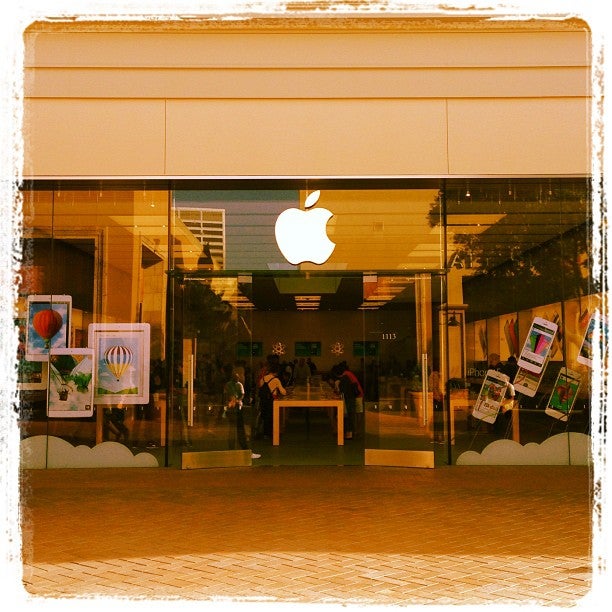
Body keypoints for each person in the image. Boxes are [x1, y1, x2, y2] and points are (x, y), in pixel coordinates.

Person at [223, 365, 260, 459]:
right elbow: (232, 396)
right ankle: (244, 451)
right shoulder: (233, 385)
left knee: (235, 431)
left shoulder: (237, 384)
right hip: (234, 409)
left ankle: (235, 451)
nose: (242, 376)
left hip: (235, 409)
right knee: (238, 431)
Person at [258, 362, 287, 440]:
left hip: (263, 401)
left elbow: (260, 387)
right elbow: (283, 392)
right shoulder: (276, 380)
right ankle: (272, 434)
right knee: (272, 417)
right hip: (272, 401)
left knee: (265, 417)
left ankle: (265, 434)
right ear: (276, 372)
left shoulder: (263, 379)